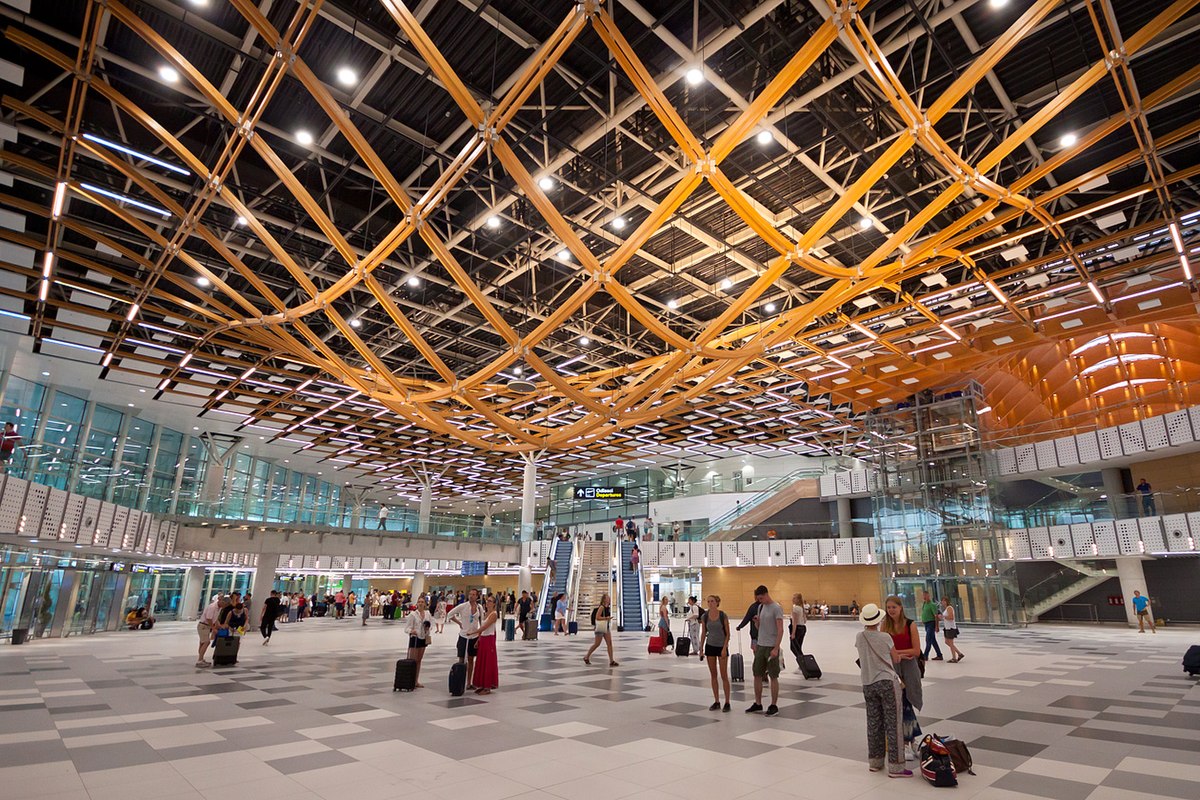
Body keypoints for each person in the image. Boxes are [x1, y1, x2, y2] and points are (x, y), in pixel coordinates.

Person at [856, 603, 910, 778]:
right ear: (878, 620)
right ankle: (896, 767)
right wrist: (902, 656)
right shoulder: (885, 637)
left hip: (868, 683)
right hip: (887, 682)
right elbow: (895, 658)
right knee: (893, 723)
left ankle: (875, 762)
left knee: (873, 723)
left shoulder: (859, 637)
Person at [882, 595, 923, 761]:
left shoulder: (910, 624)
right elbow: (882, 649)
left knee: (907, 701)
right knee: (901, 703)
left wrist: (896, 653)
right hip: (892, 668)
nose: (891, 610)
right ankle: (910, 740)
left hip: (909, 668)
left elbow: (916, 651)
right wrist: (898, 655)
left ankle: (909, 741)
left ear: (900, 608)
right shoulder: (885, 626)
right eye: (889, 607)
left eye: (894, 607)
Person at [745, 585, 783, 717]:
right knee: (757, 674)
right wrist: (757, 622)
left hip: (771, 646)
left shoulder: (776, 608)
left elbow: (780, 629)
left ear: (766, 594)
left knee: (773, 676)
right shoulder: (761, 607)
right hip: (760, 645)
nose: (759, 600)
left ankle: (773, 704)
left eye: (761, 598)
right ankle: (758, 703)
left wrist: (776, 647)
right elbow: (759, 626)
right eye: (758, 598)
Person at [698, 594, 731, 712]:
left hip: (721, 646)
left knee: (724, 675)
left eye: (712, 601)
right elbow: (703, 633)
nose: (710, 603)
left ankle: (727, 702)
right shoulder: (705, 616)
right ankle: (717, 701)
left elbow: (728, 634)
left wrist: (724, 648)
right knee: (713, 675)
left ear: (717, 603)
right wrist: (701, 648)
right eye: (708, 601)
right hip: (710, 646)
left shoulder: (723, 615)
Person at [447, 590, 483, 689]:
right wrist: (459, 623)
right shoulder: (463, 606)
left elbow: (482, 623)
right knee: (461, 659)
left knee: (471, 659)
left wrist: (479, 637)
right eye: (470, 594)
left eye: (474, 595)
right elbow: (450, 614)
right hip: (463, 636)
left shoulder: (479, 608)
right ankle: (459, 681)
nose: (471, 596)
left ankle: (469, 682)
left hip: (474, 636)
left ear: (477, 596)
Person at [473, 595, 500, 695]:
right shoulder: (485, 613)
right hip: (483, 639)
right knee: (481, 661)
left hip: (489, 639)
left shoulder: (494, 614)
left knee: (488, 662)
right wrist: (478, 640)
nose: (488, 602)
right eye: (487, 601)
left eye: (490, 601)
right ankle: (481, 684)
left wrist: (472, 633)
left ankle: (488, 686)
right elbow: (482, 628)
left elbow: (484, 627)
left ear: (494, 604)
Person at [405, 596, 433, 688]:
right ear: (417, 603)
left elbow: (431, 625)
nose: (420, 603)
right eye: (419, 602)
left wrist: (428, 628)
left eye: (422, 602)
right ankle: (410, 679)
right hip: (415, 638)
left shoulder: (427, 614)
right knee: (413, 660)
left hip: (423, 638)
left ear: (425, 604)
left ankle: (416, 680)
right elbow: (407, 628)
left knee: (419, 660)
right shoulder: (413, 614)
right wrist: (411, 631)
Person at [584, 593, 618, 666]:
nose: (609, 599)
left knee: (609, 643)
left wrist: (607, 618)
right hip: (600, 627)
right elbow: (597, 617)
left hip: (606, 627)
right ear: (604, 599)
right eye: (608, 598)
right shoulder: (601, 607)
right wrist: (606, 618)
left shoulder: (607, 607)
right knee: (597, 644)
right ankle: (586, 657)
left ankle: (611, 661)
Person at [196, 594, 222, 667]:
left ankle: (201, 658)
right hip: (203, 626)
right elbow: (209, 618)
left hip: (206, 626)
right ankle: (200, 660)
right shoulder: (213, 607)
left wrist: (219, 625)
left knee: (202, 643)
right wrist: (213, 628)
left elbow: (215, 618)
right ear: (220, 601)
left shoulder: (219, 608)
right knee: (206, 642)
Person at [919, 590, 943, 661]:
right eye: (923, 595)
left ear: (929, 596)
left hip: (931, 623)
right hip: (926, 624)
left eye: (925, 595)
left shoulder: (932, 605)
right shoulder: (924, 604)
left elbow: (936, 616)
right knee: (933, 640)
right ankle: (939, 654)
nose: (924, 597)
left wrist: (937, 626)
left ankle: (925, 655)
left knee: (928, 639)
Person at [940, 597, 963, 661]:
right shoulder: (946, 609)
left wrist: (943, 616)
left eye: (944, 601)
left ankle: (954, 657)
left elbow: (951, 617)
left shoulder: (949, 608)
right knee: (947, 642)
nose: (942, 602)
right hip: (947, 627)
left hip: (951, 628)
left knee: (950, 643)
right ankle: (959, 653)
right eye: (942, 601)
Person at [790, 592, 808, 665]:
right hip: (803, 628)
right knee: (798, 647)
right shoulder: (801, 608)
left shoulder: (795, 608)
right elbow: (805, 620)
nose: (792, 599)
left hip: (797, 629)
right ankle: (802, 663)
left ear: (797, 600)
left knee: (794, 648)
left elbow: (795, 622)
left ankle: (802, 663)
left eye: (794, 598)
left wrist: (793, 633)